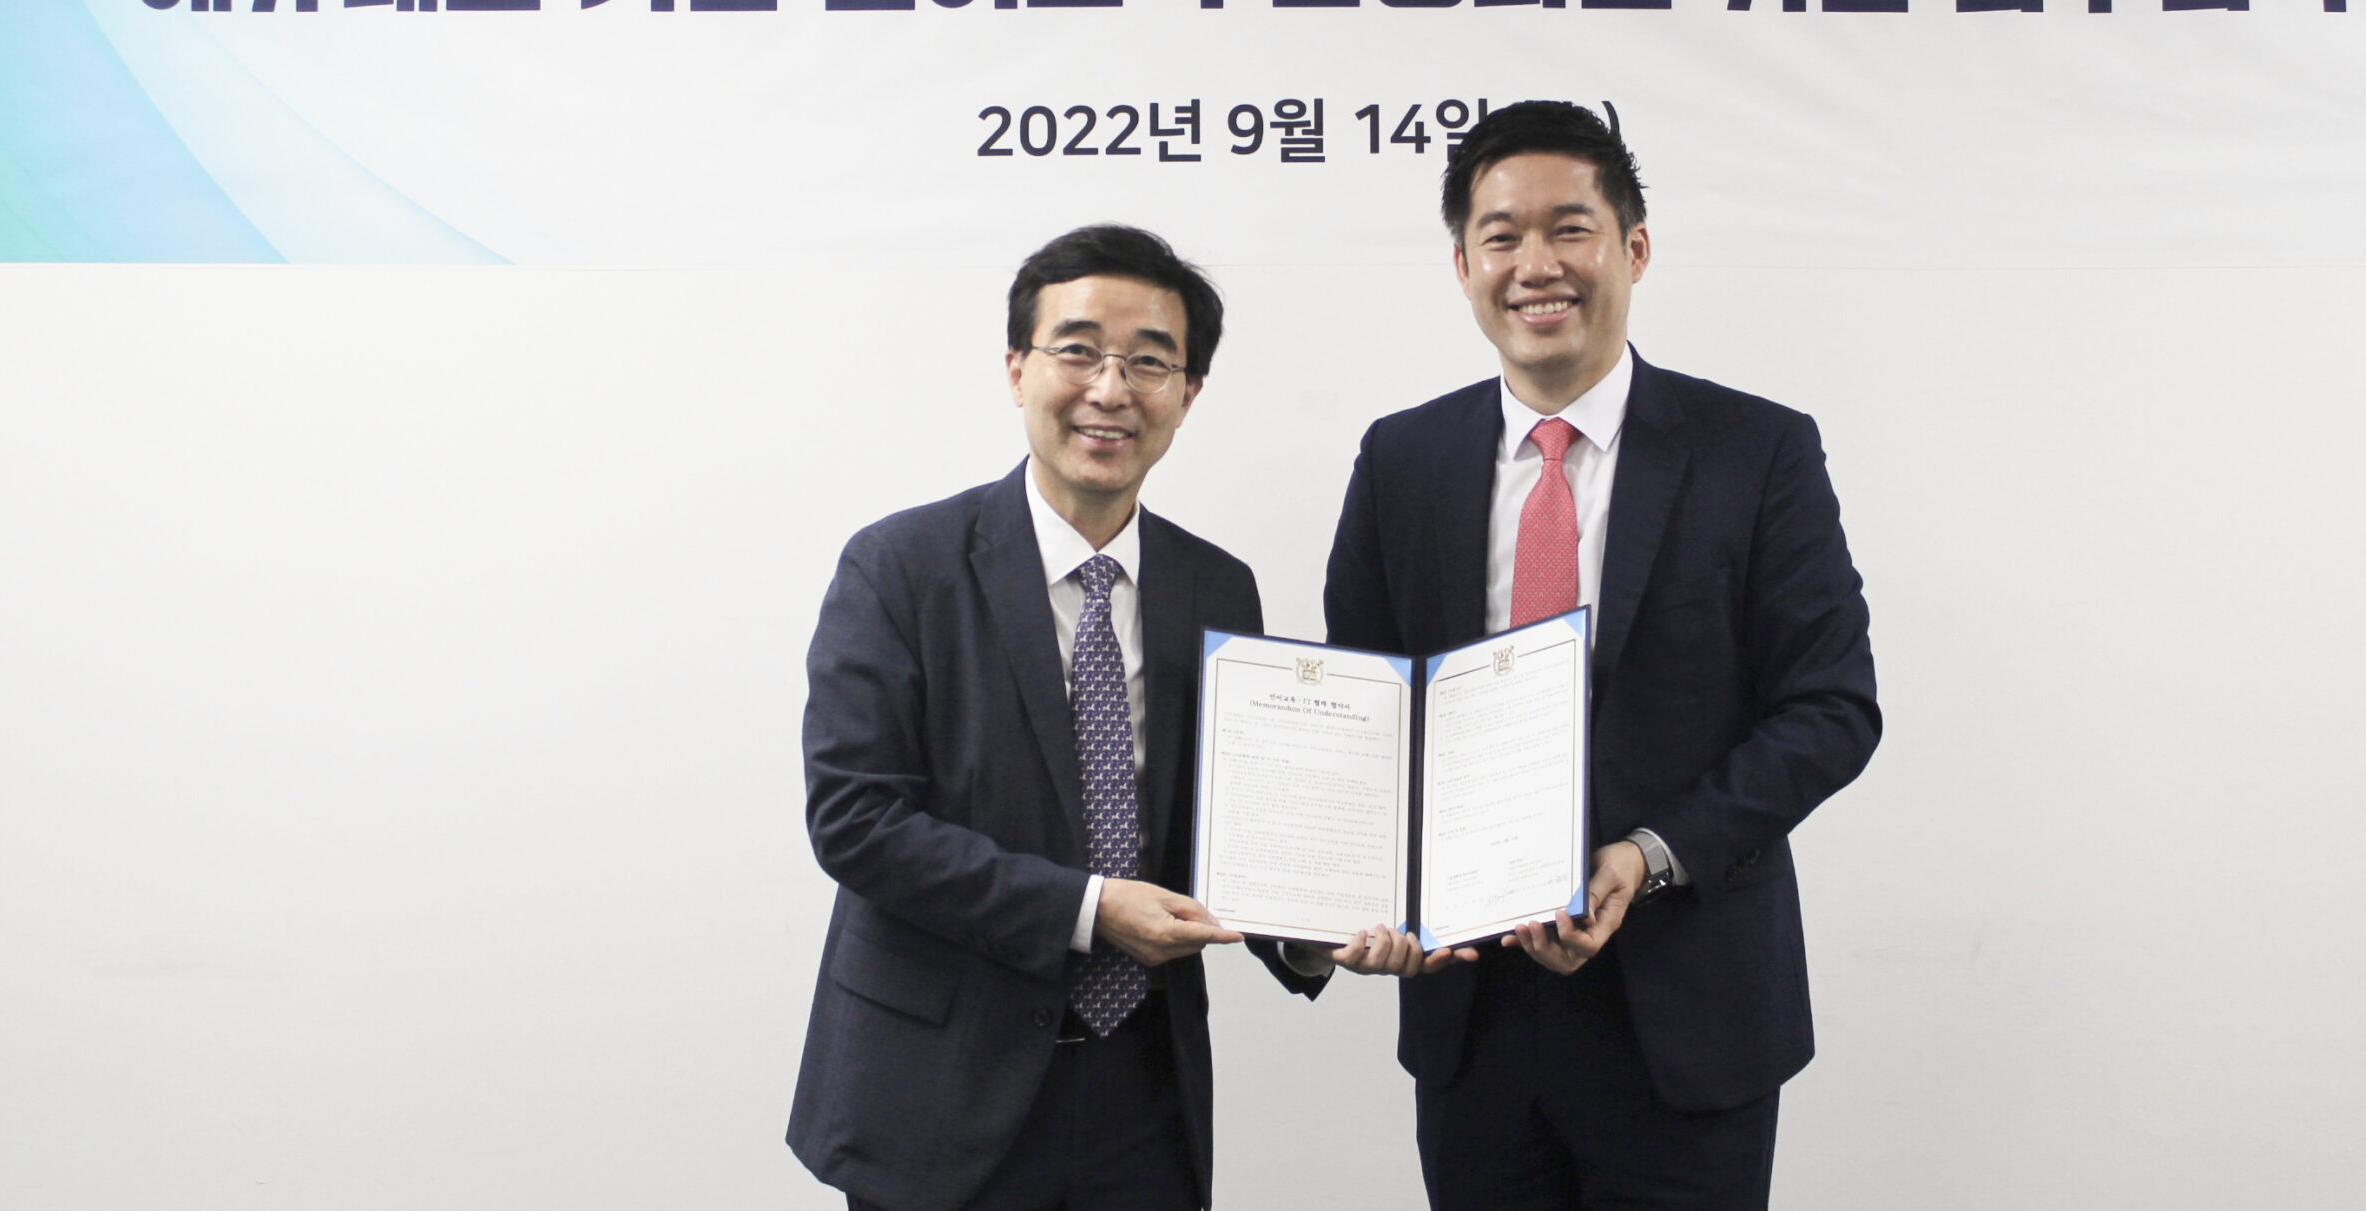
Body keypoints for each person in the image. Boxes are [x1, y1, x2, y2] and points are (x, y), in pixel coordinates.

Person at [1321, 101, 1881, 1210]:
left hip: (1687, 1009)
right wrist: (1350, 895)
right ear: (1463, 265)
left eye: (1569, 228)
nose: (1536, 265)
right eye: (1501, 236)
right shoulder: (1402, 458)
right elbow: (1366, 711)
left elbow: (1830, 708)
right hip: (1472, 1011)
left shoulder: (1757, 450)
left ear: (1634, 247)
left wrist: (1647, 855)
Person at [787, 224, 1325, 1211]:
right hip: (939, 1090)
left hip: (1143, 1096)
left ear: (1189, 393)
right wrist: (1089, 908)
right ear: (1017, 368)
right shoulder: (899, 568)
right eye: (1077, 351)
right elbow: (856, 821)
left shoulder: (1217, 586)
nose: (1110, 389)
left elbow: (1238, 826)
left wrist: (1315, 930)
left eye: (1149, 361)